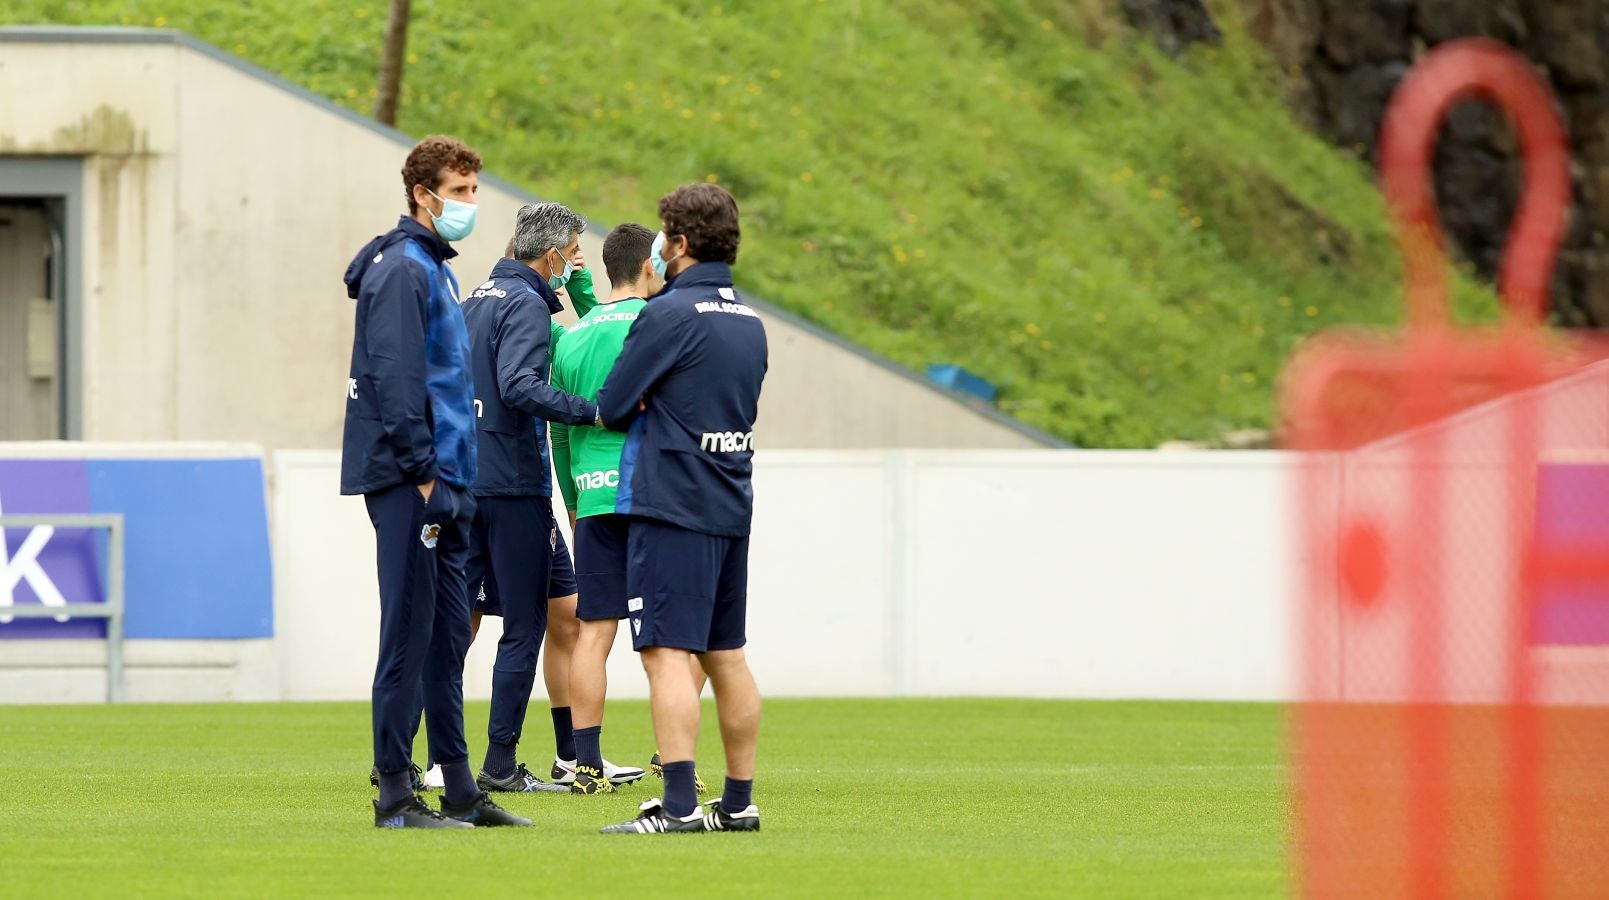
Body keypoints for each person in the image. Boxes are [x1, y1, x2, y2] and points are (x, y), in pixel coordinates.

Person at [341, 135, 527, 828]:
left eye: (475, 191)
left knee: (449, 635)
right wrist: (421, 472)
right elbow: (394, 379)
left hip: (449, 480)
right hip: (411, 479)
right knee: (409, 634)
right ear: (423, 193)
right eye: (459, 191)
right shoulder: (402, 270)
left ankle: (459, 788)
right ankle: (394, 791)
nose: (470, 204)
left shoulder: (431, 268)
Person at [594, 184, 768, 834]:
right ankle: (739, 801)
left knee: (666, 654)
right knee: (727, 655)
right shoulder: (749, 320)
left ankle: (678, 807)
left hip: (671, 504)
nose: (659, 247)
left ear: (681, 243)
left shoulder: (667, 314)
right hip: (730, 503)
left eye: (666, 234)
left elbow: (613, 405)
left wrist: (646, 401)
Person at [457, 201, 601, 794]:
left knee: (460, 623)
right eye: (572, 254)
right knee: (523, 625)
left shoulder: (473, 297)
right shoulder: (524, 304)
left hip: (465, 479)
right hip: (513, 485)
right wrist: (592, 410)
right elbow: (520, 386)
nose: (575, 264)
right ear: (550, 257)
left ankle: (410, 754)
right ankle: (499, 764)